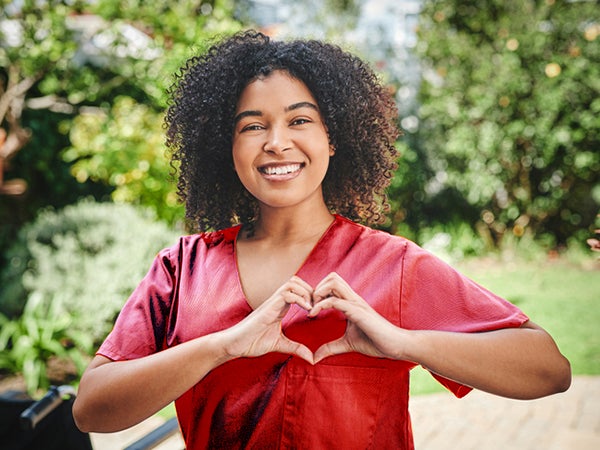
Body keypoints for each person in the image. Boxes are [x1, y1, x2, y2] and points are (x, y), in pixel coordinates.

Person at [73, 30, 571, 449]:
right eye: (252, 126)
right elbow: (92, 409)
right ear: (225, 146)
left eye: (300, 120)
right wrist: (222, 346)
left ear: (334, 138)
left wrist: (404, 343)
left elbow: (548, 369)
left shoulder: (390, 265)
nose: (276, 141)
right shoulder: (182, 268)